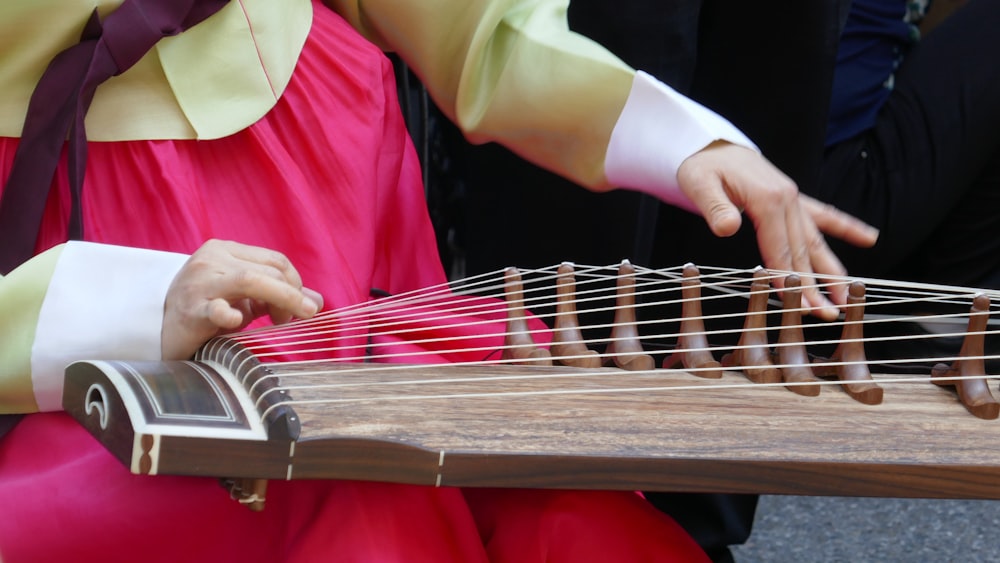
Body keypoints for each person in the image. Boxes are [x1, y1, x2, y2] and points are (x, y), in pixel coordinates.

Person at [0, 1, 881, 561]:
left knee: (456, 474)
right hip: (55, 220)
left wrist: (681, 139)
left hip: (318, 148)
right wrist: (112, 307)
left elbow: (474, 27)